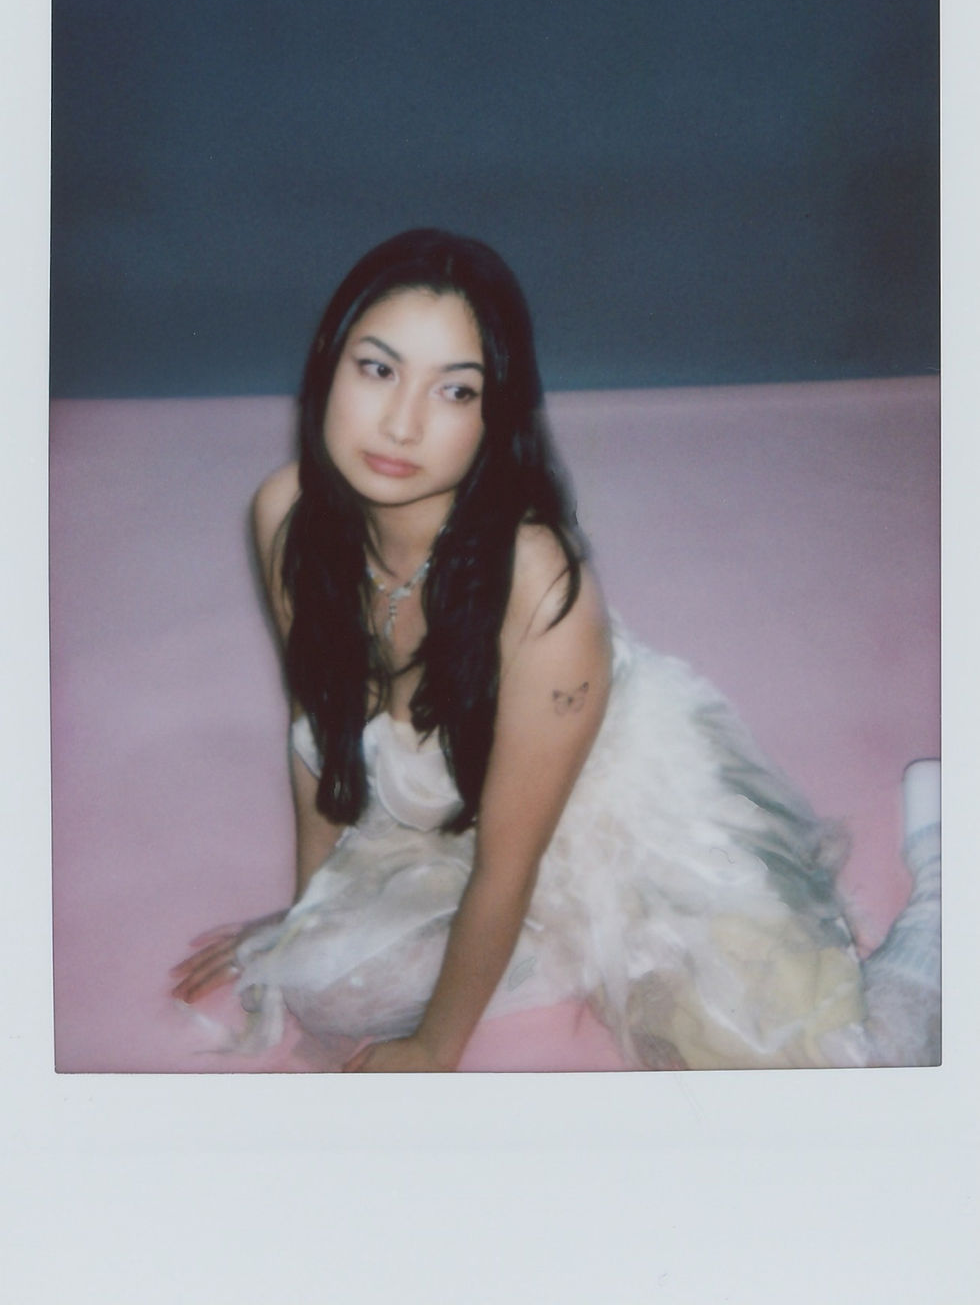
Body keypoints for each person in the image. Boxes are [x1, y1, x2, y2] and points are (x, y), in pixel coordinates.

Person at [171, 229, 940, 1072]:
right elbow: (317, 737)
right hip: (442, 812)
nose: (401, 422)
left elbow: (511, 858)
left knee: (811, 1074)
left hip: (606, 812)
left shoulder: (539, 590)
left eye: (455, 392)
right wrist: (306, 913)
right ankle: (520, 945)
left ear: (494, 418)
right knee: (321, 983)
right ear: (328, 365)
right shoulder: (284, 515)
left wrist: (434, 1046)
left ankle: (942, 898)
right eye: (378, 369)